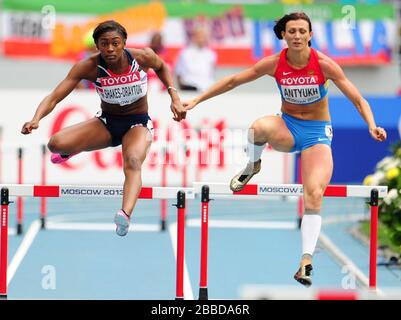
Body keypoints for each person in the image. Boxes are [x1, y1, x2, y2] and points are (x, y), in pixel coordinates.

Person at [183, 12, 387, 287]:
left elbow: (358, 99)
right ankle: (253, 165)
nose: (297, 36)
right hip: (288, 128)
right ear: (284, 35)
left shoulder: (324, 65)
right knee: (257, 128)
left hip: (317, 135)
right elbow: (233, 81)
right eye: (292, 31)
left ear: (310, 35)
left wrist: (372, 125)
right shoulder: (274, 64)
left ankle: (305, 260)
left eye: (302, 31)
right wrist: (196, 100)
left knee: (313, 194)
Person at [21, 20, 186, 237]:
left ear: (124, 43)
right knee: (55, 144)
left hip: (137, 124)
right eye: (104, 43)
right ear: (97, 45)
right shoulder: (88, 67)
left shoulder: (141, 57)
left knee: (134, 161)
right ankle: (73, 148)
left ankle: (125, 215)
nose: (110, 49)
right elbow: (54, 96)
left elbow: (162, 66)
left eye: (115, 43)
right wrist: (36, 118)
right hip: (107, 123)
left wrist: (174, 96)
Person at [174, 26, 217, 92]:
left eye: (203, 37)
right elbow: (178, 74)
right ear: (194, 37)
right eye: (199, 36)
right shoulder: (185, 53)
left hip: (206, 89)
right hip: (190, 88)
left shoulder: (211, 54)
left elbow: (211, 73)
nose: (201, 39)